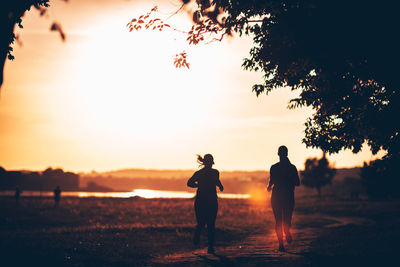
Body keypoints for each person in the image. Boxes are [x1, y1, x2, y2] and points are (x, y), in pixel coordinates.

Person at [187, 154, 224, 254]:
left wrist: (198, 185)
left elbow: (189, 183)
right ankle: (209, 246)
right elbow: (217, 182)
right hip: (210, 201)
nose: (211, 165)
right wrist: (220, 186)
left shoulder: (200, 173)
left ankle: (205, 242)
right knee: (209, 224)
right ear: (209, 163)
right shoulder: (215, 173)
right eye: (210, 163)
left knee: (204, 223)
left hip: (201, 201)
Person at [267, 145, 300, 252]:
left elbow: (271, 181)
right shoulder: (292, 168)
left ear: (278, 154)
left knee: (278, 221)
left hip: (276, 196)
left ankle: (281, 244)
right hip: (288, 196)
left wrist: (269, 187)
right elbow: (297, 183)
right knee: (286, 219)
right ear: (287, 153)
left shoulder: (274, 167)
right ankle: (286, 232)